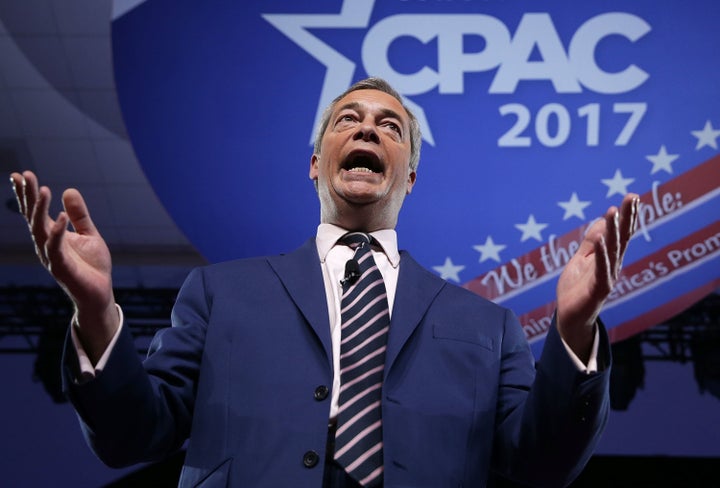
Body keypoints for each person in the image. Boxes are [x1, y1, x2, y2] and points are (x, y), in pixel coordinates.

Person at [11, 77, 638, 488]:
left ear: (410, 177)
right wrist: (94, 315)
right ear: (316, 163)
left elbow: (544, 462)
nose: (368, 129)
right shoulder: (218, 295)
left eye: (391, 127)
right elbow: (131, 438)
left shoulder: (487, 326)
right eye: (348, 120)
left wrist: (575, 330)